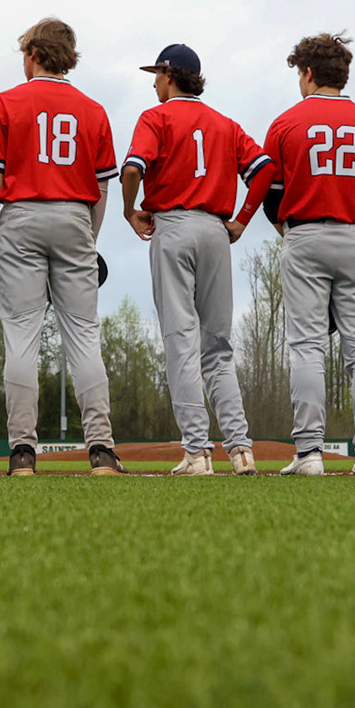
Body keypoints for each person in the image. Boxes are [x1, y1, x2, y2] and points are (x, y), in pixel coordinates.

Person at [0, 18, 127, 476]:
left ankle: (23, 451)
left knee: (21, 336)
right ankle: (101, 449)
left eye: (25, 51)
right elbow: (103, 188)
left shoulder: (5, 102)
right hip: (74, 217)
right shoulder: (94, 109)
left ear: (36, 54)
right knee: (83, 336)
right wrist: (90, 236)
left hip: (21, 216)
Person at [122, 43, 272, 477]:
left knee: (181, 342)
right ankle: (242, 450)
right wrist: (243, 219)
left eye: (157, 74)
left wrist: (129, 210)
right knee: (218, 347)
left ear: (170, 75)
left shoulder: (157, 117)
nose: (153, 82)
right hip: (215, 231)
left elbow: (132, 168)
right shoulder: (224, 123)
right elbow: (263, 169)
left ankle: (197, 452)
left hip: (173, 225)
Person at [258, 34, 355, 477]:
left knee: (307, 347)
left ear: (309, 73)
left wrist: (292, 232)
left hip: (305, 235)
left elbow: (270, 197)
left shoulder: (285, 123)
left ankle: (310, 453)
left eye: (299, 72)